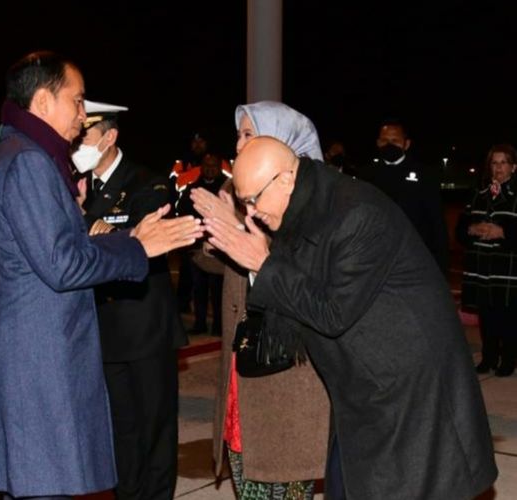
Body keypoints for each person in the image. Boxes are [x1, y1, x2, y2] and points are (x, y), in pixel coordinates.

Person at [203, 135, 498, 499]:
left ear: (285, 179)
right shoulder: (306, 204)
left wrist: (264, 263)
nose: (251, 212)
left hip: (408, 394)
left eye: (253, 199)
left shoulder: (355, 214)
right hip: (363, 389)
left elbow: (332, 313)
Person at [0, 51, 202, 499]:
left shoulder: (25, 153)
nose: (82, 113)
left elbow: (57, 252)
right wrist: (138, 247)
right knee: (43, 485)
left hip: (36, 354)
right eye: (76, 101)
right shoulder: (29, 162)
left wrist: (129, 238)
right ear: (42, 102)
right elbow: (63, 265)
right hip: (38, 361)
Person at [191, 101, 329, 499]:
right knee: (245, 475)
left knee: (285, 478)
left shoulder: (314, 199)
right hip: (243, 356)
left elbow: (302, 271)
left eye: (249, 134)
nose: (239, 144)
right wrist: (213, 235)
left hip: (287, 366)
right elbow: (210, 262)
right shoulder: (234, 191)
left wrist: (236, 230)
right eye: (238, 135)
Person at [74, 100, 186, 500]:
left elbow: (145, 235)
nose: (76, 141)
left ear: (109, 137)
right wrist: (90, 221)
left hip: (144, 327)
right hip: (100, 328)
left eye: (84, 135)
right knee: (119, 427)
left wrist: (84, 220)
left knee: (154, 426)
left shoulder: (146, 181)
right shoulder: (73, 183)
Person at [456, 144, 517, 377]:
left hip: (508, 269)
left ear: (513, 167)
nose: (498, 167)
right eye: (494, 162)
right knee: (487, 316)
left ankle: (508, 359)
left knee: (508, 316)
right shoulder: (478, 194)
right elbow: (461, 230)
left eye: (503, 162)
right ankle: (489, 357)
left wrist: (502, 232)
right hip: (481, 267)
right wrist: (472, 228)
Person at [360, 119, 449, 274]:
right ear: (378, 143)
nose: (389, 145)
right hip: (375, 259)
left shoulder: (424, 174)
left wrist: (441, 265)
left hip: (413, 258)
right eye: (384, 140)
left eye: (395, 141)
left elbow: (437, 222)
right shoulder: (366, 176)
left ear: (406, 144)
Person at [178, 152, 228, 335]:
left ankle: (218, 325)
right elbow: (183, 211)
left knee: (217, 290)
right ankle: (199, 323)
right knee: (198, 288)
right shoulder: (192, 189)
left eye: (213, 165)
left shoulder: (226, 188)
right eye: (206, 165)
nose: (209, 169)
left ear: (219, 167)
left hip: (218, 246)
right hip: (196, 246)